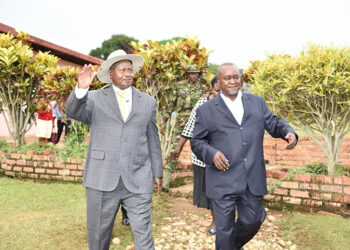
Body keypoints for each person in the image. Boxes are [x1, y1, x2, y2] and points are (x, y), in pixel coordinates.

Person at [191, 63, 298, 250]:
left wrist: (288, 132)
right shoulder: (206, 110)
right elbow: (197, 142)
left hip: (251, 178)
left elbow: (273, 123)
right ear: (218, 82)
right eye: (227, 78)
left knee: (254, 220)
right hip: (222, 178)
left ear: (241, 79)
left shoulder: (257, 102)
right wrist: (212, 153)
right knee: (224, 229)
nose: (232, 81)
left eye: (236, 77)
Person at [66, 49, 163, 250]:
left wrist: (157, 171)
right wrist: (81, 89)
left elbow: (153, 138)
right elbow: (74, 113)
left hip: (138, 178)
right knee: (98, 238)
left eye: (130, 69)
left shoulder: (148, 102)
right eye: (122, 70)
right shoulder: (93, 98)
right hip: (102, 178)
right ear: (110, 73)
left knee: (144, 236)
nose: (128, 73)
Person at [169, 76, 220, 234]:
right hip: (203, 158)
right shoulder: (202, 104)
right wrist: (178, 148)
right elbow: (190, 126)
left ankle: (222, 220)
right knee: (210, 192)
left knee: (222, 190)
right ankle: (215, 221)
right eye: (218, 90)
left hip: (224, 157)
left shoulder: (231, 105)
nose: (221, 94)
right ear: (212, 89)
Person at [163, 65, 206, 191]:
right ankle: (166, 182)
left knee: (201, 152)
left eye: (196, 73)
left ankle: (202, 185)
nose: (194, 76)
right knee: (174, 150)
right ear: (187, 74)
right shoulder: (179, 86)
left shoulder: (202, 89)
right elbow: (170, 105)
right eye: (192, 73)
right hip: (181, 122)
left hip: (197, 122)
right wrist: (164, 122)